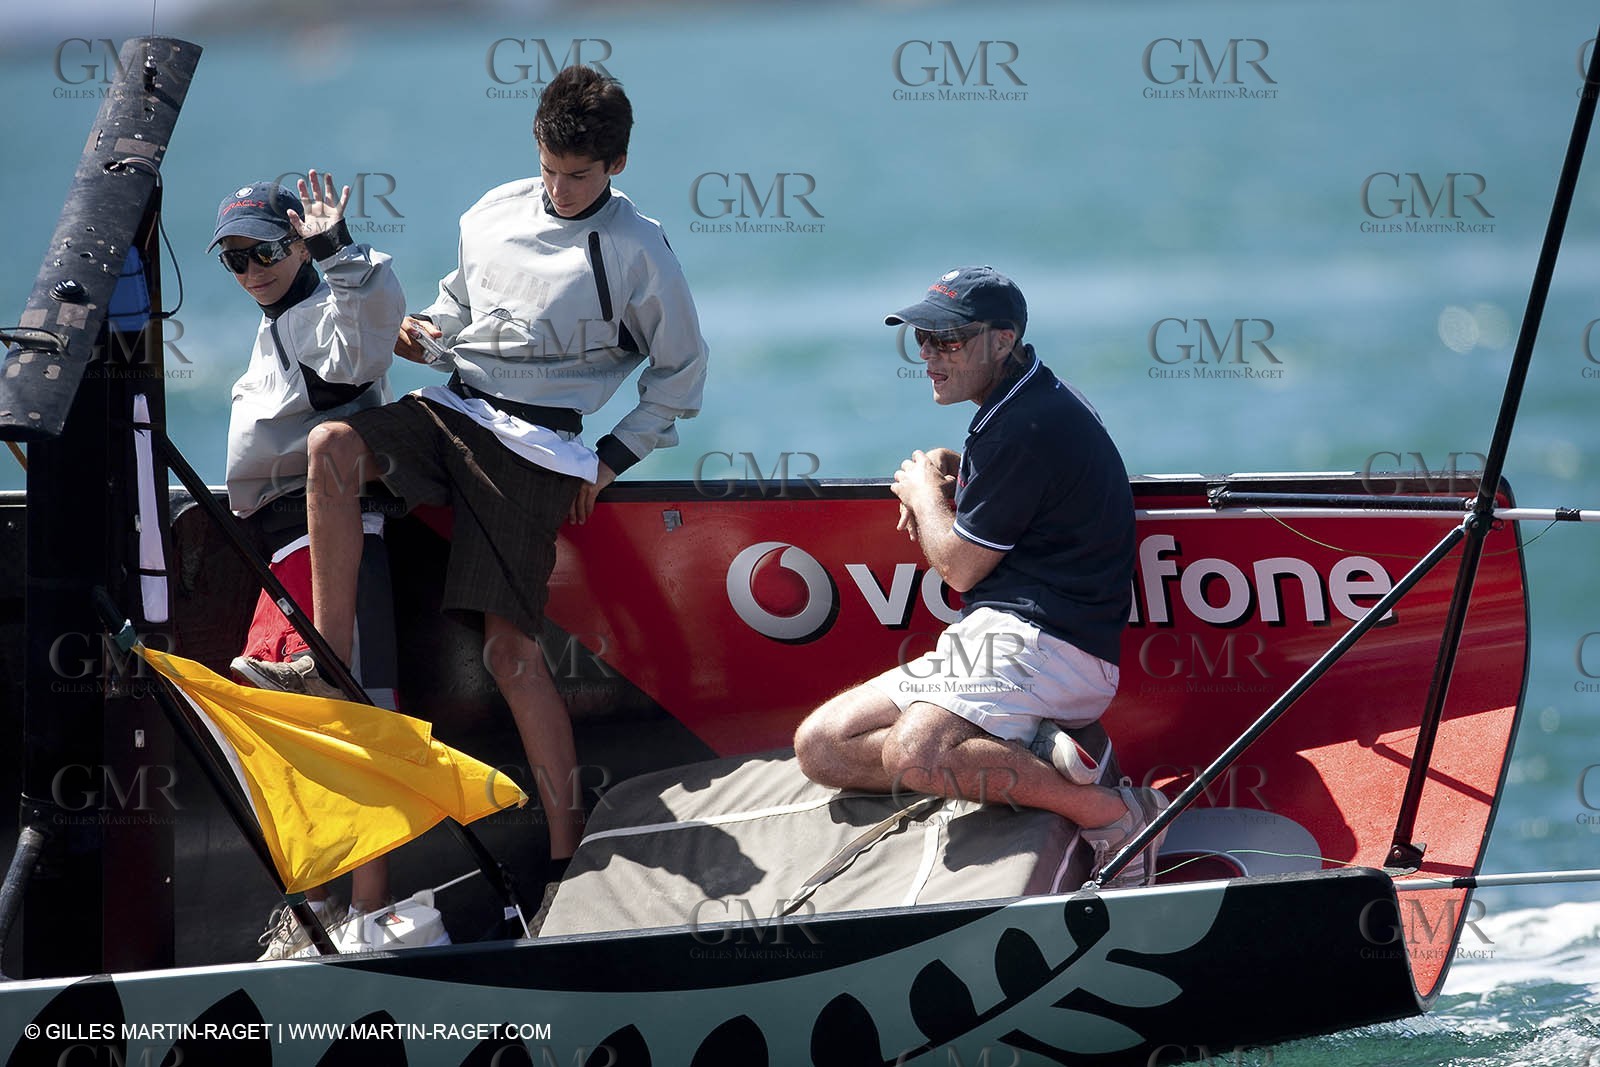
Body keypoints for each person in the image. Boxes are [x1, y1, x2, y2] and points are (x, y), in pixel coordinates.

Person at [235, 66, 710, 903]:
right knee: (333, 446)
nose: (563, 189)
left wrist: (611, 459)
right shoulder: (489, 212)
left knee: (508, 652)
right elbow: (455, 311)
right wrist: (426, 331)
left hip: (536, 449)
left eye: (582, 176)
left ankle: (569, 858)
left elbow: (681, 374)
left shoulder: (641, 250)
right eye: (552, 168)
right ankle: (328, 660)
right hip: (453, 408)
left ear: (618, 165)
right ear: (535, 146)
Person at [792, 265, 1168, 888]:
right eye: (922, 340)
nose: (930, 357)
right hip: (1003, 632)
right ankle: (1041, 756)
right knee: (821, 746)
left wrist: (921, 491)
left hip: (1055, 644)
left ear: (1002, 338)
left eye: (949, 341)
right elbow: (1023, 488)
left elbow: (960, 566)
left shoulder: (1025, 422)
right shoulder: (1023, 399)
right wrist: (954, 465)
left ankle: (1116, 815)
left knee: (914, 754)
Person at [208, 170, 411, 956]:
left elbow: (361, 345)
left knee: (358, 718)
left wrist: (340, 249)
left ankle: (367, 910)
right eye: (233, 259)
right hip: (280, 556)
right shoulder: (282, 319)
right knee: (300, 735)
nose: (251, 269)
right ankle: (313, 910)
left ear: (296, 243)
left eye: (264, 249)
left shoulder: (322, 311)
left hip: (332, 543)